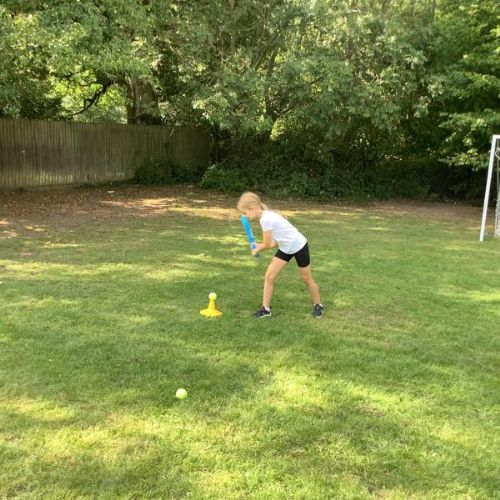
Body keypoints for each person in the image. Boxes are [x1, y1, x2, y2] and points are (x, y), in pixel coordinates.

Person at [237, 192, 324, 318]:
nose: (245, 215)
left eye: (245, 212)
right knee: (269, 276)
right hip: (285, 248)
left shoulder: (266, 219)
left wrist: (257, 248)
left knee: (307, 279)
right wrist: (258, 246)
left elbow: (266, 244)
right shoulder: (266, 216)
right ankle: (266, 309)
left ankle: (318, 305)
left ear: (252, 209)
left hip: (299, 246)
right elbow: (275, 243)